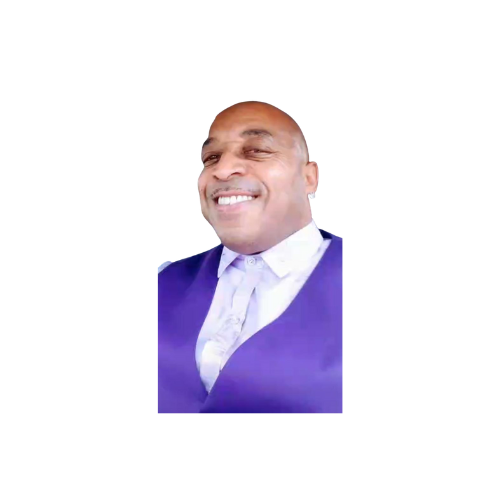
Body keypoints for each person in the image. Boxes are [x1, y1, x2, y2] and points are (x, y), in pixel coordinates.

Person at [157, 100, 343, 414]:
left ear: (310, 178)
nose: (222, 170)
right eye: (211, 158)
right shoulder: (164, 279)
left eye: (256, 150)